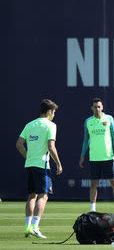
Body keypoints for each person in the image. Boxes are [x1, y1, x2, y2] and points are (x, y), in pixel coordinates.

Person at [16, 99, 63, 239]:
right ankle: (35, 227)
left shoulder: (30, 125)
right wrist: (59, 163)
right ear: (49, 111)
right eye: (53, 112)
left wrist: (28, 157)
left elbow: (19, 144)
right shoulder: (51, 125)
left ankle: (27, 227)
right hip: (42, 166)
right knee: (43, 196)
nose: (54, 115)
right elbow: (51, 147)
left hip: (30, 165)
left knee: (32, 196)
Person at [79, 98, 114, 217]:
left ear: (102, 107)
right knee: (93, 184)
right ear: (92, 108)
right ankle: (92, 210)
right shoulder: (88, 121)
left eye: (99, 107)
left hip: (108, 157)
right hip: (94, 158)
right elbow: (86, 140)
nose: (97, 109)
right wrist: (82, 156)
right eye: (95, 107)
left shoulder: (109, 119)